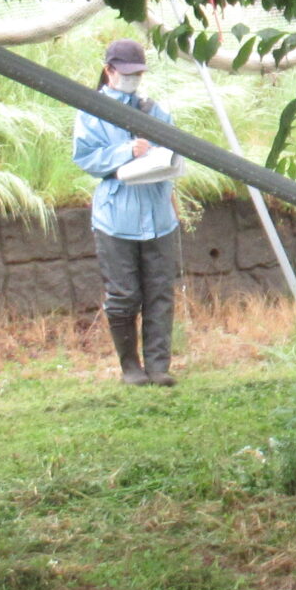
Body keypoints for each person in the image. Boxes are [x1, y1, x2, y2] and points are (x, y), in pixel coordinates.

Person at [73, 36, 181, 387]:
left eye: (138, 73)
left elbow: (174, 146)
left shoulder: (153, 109)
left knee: (160, 292)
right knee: (123, 295)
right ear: (109, 71)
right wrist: (125, 151)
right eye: (126, 73)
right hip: (115, 221)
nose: (133, 79)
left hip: (160, 218)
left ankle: (159, 366)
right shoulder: (92, 111)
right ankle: (130, 367)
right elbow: (85, 157)